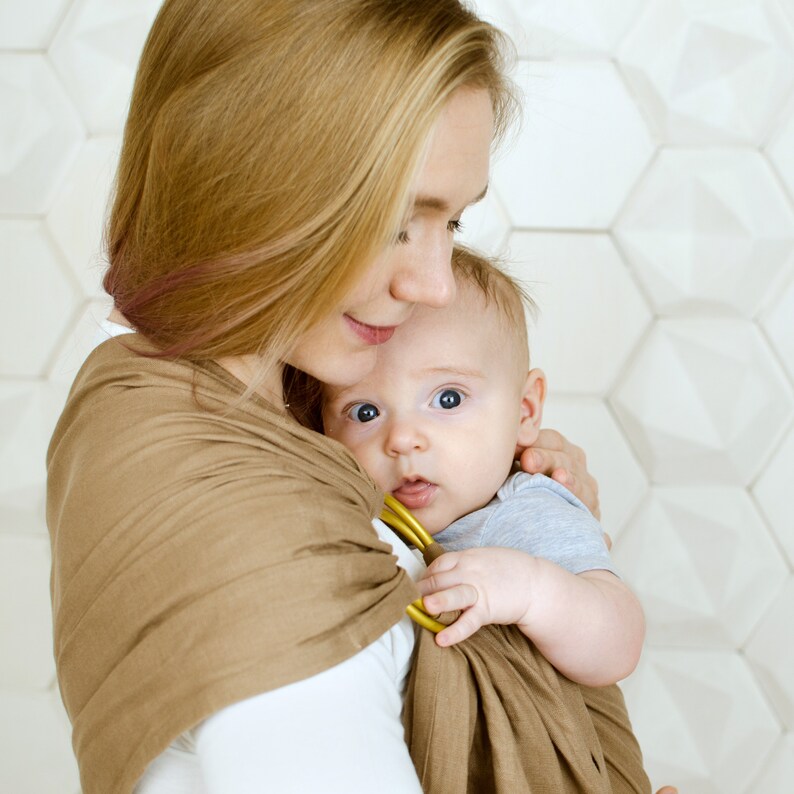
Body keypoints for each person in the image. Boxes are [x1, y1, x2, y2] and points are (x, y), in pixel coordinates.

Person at [45, 1, 664, 793]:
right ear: (244, 182)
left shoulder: (254, 400)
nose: (434, 284)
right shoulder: (248, 527)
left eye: (454, 224)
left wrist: (523, 500)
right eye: (397, 224)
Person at [321, 248, 645, 688]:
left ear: (525, 411)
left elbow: (618, 642)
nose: (401, 439)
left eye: (447, 399)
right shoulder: (356, 509)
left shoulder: (523, 514)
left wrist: (530, 590)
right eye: (364, 412)